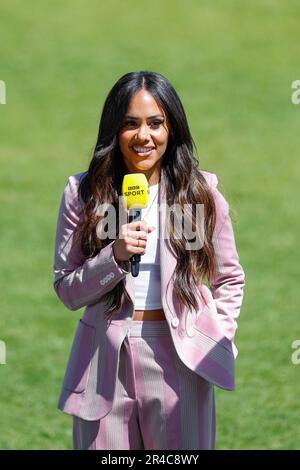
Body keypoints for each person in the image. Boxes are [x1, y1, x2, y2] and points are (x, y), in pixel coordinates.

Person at [53, 70, 245, 450]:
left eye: (155, 123)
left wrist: (216, 337)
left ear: (172, 128)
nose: (144, 136)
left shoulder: (199, 193)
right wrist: (115, 256)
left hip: (181, 356)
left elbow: (229, 278)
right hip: (104, 359)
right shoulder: (83, 193)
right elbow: (66, 287)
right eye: (130, 124)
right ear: (114, 130)